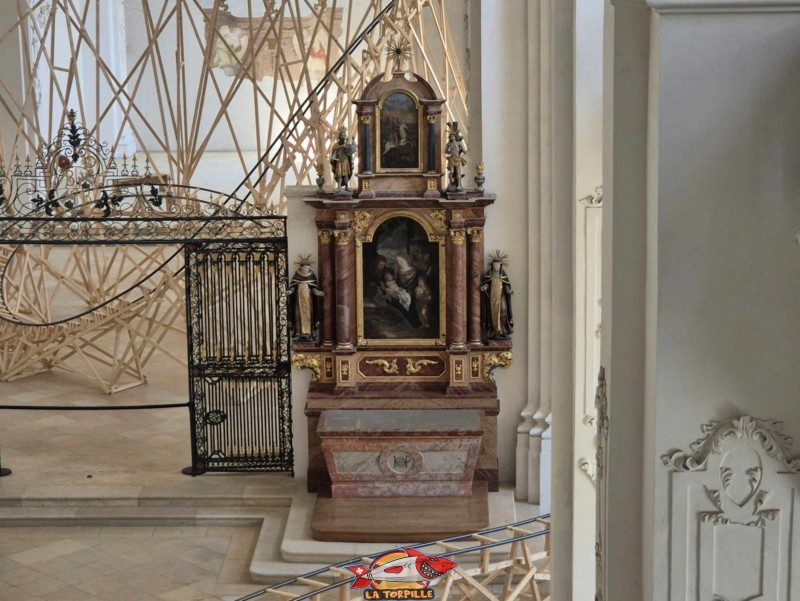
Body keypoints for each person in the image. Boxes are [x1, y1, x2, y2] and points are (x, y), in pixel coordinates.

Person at [286, 256, 324, 342]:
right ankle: (298, 333)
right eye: (305, 268)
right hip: (298, 300)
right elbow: (293, 287)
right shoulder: (297, 275)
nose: (307, 270)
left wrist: (317, 292)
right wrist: (290, 291)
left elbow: (314, 287)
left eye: (308, 268)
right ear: (301, 267)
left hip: (308, 300)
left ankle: (308, 333)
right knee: (298, 315)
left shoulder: (311, 276)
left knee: (308, 315)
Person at [480, 253, 513, 339]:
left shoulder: (503, 273)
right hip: (492, 297)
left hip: (501, 296)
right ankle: (495, 332)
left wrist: (508, 291)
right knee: (493, 313)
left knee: (503, 312)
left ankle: (504, 330)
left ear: (500, 265)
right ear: (492, 265)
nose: (496, 266)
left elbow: (506, 284)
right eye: (494, 264)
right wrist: (485, 287)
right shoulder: (489, 273)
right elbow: (486, 283)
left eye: (497, 265)